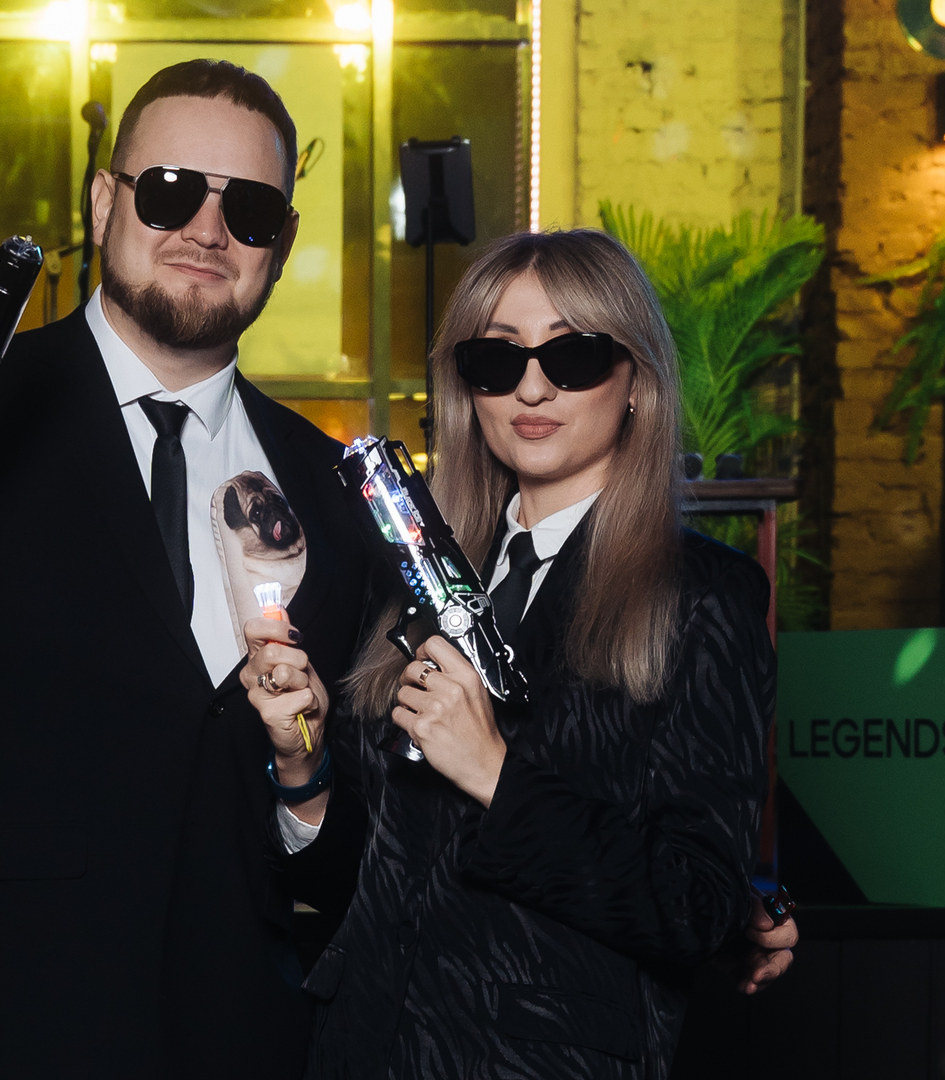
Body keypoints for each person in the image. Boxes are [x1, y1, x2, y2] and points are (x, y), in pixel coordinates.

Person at [0, 60, 372, 1079]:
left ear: (282, 242)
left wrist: (305, 780)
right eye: (170, 191)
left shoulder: (327, 488)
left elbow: (348, 856)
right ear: (102, 203)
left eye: (250, 209)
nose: (207, 230)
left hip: (237, 1041)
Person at [245, 228, 787, 1079]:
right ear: (468, 389)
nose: (532, 387)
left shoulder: (703, 596)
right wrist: (301, 766)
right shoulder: (414, 583)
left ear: (637, 380)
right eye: (497, 361)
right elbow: (362, 881)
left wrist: (496, 774)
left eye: (574, 355)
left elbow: (697, 907)